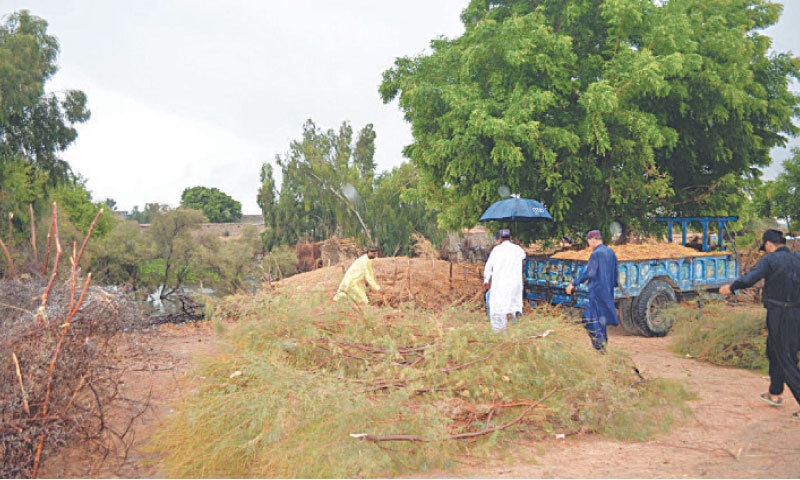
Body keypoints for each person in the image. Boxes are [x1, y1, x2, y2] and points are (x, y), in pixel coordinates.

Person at [719, 229, 800, 420]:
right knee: (774, 351)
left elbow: (750, 278)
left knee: (786, 357)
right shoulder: (797, 258)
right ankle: (775, 392)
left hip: (780, 314)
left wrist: (731, 287)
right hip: (797, 313)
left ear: (769, 245)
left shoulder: (770, 260)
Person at [565, 230, 619, 351]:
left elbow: (590, 273)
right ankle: (603, 345)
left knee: (589, 319)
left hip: (597, 292)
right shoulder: (610, 252)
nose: (588, 243)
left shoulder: (596, 254)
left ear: (594, 239)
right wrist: (610, 287)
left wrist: (573, 284)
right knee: (601, 320)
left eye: (589, 241)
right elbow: (615, 273)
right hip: (607, 292)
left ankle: (599, 348)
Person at [483, 229, 526, 332]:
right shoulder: (517, 249)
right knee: (514, 306)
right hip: (515, 285)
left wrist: (486, 280)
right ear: (509, 238)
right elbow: (524, 256)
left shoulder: (496, 250)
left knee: (497, 307)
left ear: (499, 239)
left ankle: (499, 332)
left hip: (501, 285)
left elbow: (488, 267)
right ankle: (516, 330)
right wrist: (517, 245)